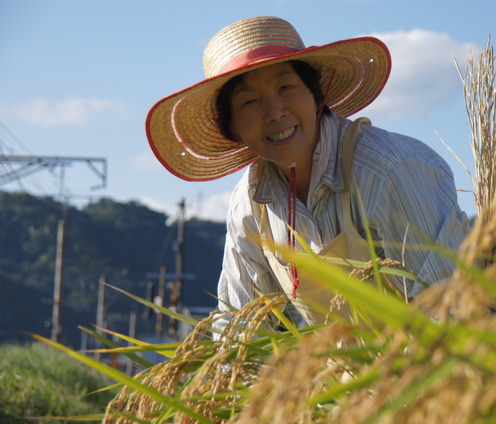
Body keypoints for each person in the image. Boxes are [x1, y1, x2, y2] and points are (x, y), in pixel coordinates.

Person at [146, 16, 469, 329]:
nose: (275, 112)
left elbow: (448, 308)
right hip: (344, 378)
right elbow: (239, 328)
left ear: (317, 95)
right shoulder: (252, 202)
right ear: (232, 128)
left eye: (286, 87)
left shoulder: (388, 171)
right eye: (249, 102)